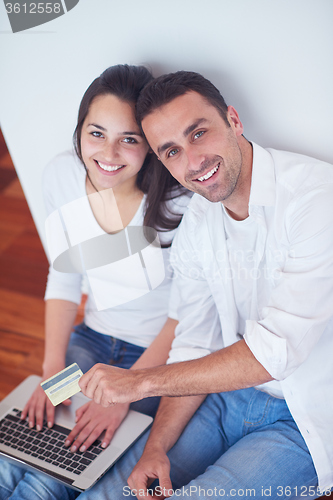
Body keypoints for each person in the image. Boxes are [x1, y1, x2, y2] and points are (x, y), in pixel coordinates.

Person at [75, 71, 333, 499]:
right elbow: (193, 342)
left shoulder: (316, 198)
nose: (193, 162)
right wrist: (156, 447)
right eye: (172, 150)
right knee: (110, 493)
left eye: (199, 133)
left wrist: (139, 383)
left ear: (233, 120)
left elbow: (277, 352)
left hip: (303, 416)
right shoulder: (197, 219)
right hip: (222, 397)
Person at [0, 65, 190, 500]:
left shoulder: (179, 201)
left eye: (129, 139)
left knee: (50, 479)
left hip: (153, 363)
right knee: (17, 449)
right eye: (96, 133)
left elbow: (185, 317)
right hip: (92, 342)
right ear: (80, 131)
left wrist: (123, 395)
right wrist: (51, 373)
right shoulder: (61, 176)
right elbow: (65, 275)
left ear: (150, 146)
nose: (108, 152)